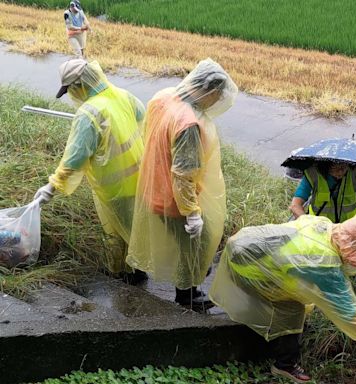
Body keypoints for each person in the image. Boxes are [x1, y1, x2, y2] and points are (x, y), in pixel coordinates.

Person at [209, 213, 356, 383]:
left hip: (244, 243)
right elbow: (346, 310)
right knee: (293, 309)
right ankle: (285, 365)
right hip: (248, 268)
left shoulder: (323, 225)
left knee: (295, 295)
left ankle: (264, 320)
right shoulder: (324, 263)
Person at [126, 58, 238, 311]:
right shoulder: (188, 124)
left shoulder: (164, 97)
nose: (215, 102)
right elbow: (183, 174)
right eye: (216, 95)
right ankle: (187, 295)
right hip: (174, 199)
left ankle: (184, 283)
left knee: (189, 245)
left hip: (154, 187)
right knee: (195, 246)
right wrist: (192, 213)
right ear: (207, 90)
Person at [34, 59, 146, 284]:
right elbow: (142, 118)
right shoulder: (123, 95)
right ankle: (138, 270)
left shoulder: (89, 113)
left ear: (80, 85)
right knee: (135, 228)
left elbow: (74, 159)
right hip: (140, 177)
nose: (72, 94)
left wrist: (51, 186)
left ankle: (122, 275)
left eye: (71, 89)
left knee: (114, 232)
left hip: (114, 187)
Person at [289, 155, 356, 231]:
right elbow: (295, 206)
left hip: (351, 229)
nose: (341, 172)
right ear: (325, 166)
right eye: (335, 169)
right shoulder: (313, 174)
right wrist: (309, 223)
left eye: (343, 167)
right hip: (320, 230)